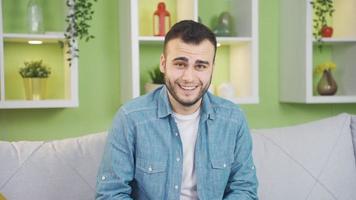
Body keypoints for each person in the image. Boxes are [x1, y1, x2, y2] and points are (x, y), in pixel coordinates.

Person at [96, 20, 258, 200]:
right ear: (164, 64)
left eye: (200, 66)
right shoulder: (130, 118)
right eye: (180, 64)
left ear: (212, 68)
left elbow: (244, 190)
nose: (189, 77)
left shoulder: (234, 120)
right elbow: (110, 194)